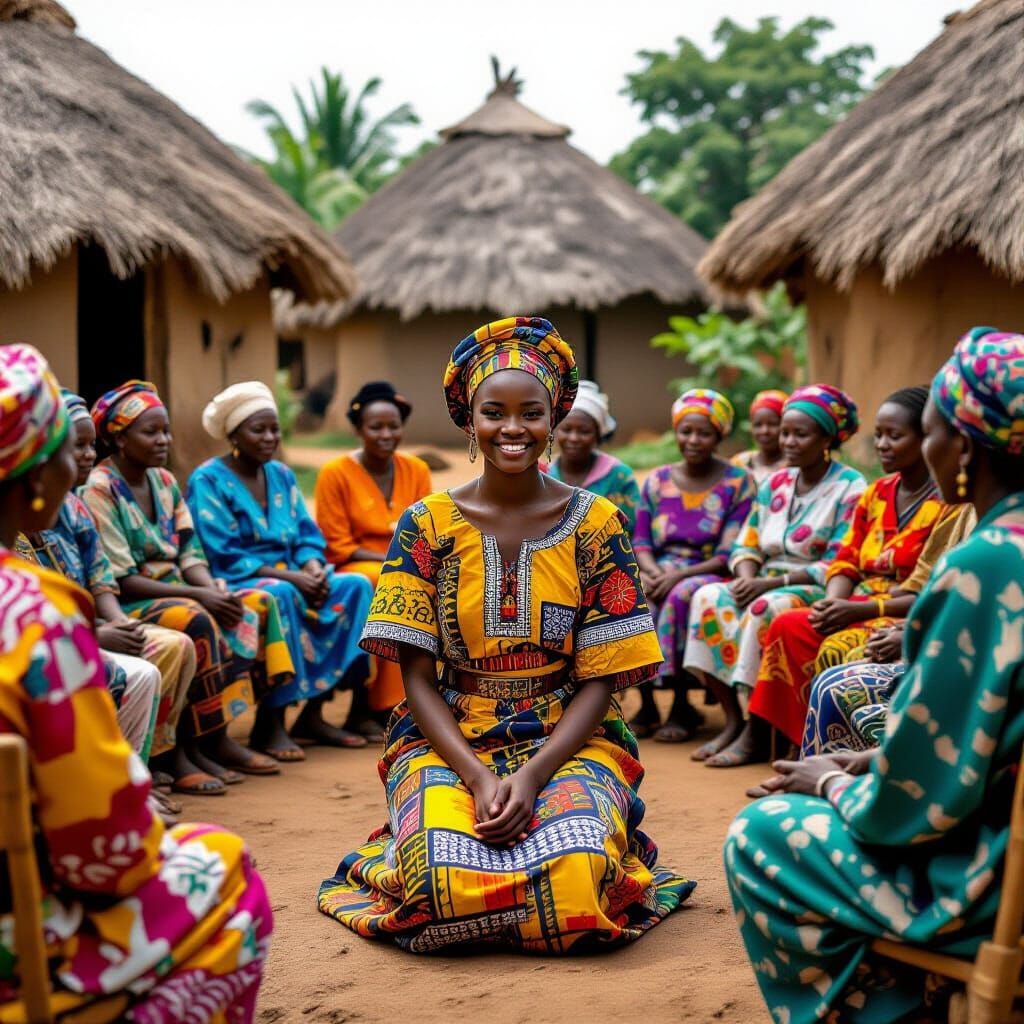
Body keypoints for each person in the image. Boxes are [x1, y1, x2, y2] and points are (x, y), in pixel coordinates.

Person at [318, 316, 693, 952]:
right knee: (437, 877)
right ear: (469, 419)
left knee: (577, 871)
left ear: (555, 418)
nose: (513, 428)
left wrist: (535, 775)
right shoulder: (425, 525)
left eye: (531, 413)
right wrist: (478, 778)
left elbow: (603, 678)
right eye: (494, 412)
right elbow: (416, 678)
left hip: (568, 738)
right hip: (450, 740)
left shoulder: (597, 522)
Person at [724, 326, 1024, 1023]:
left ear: (964, 447)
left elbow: (910, 811)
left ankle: (883, 1010)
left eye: (928, 431)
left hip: (983, 878)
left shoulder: (988, 566)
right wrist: (869, 759)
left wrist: (833, 782)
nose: (917, 446)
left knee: (762, 835)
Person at [0, 344, 272, 1022]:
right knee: (226, 870)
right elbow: (106, 856)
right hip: (21, 935)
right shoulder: (33, 616)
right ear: (32, 478)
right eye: (65, 451)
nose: (78, 465)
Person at [82, 381, 287, 794]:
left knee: (254, 604)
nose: (164, 440)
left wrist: (214, 589)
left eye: (166, 431)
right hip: (133, 599)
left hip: (178, 588)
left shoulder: (163, 481)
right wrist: (200, 596)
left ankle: (218, 736)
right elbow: (120, 577)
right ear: (119, 439)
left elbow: (190, 552)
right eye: (151, 432)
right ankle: (177, 750)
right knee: (195, 619)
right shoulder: (100, 488)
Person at [734, 388, 946, 761]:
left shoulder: (945, 502)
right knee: (790, 626)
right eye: (878, 435)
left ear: (925, 438)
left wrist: (857, 610)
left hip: (900, 610)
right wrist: (833, 603)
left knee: (837, 646)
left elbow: (931, 587)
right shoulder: (877, 493)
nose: (882, 445)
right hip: (859, 599)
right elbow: (846, 558)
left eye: (894, 436)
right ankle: (794, 740)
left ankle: (830, 754)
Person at [187, 381, 375, 758]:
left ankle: (313, 714)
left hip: (294, 573)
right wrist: (294, 578)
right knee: (281, 594)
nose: (270, 437)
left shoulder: (282, 475)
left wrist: (313, 568)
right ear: (233, 434)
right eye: (258, 430)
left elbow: (306, 533)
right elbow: (220, 551)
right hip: (239, 577)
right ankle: (270, 723)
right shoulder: (207, 480)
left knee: (355, 586)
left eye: (274, 429)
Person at [684, 385, 866, 765]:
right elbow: (747, 542)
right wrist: (745, 576)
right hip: (762, 578)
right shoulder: (776, 483)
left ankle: (756, 730)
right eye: (786, 433)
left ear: (828, 439)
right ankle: (733, 720)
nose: (789, 442)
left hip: (812, 586)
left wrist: (767, 584)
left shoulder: (850, 487)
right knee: (708, 597)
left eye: (801, 434)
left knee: (766, 607)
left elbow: (839, 561)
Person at [16, 389, 194, 768]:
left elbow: (100, 577)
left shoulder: (73, 507)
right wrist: (95, 635)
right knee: (136, 670)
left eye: (89, 446)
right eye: (74, 448)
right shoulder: (23, 521)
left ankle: (139, 769)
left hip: (87, 626)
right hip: (52, 643)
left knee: (166, 650)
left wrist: (117, 622)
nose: (86, 457)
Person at [629, 389, 757, 743]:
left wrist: (677, 577)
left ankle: (682, 705)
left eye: (704, 433)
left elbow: (730, 551)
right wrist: (651, 573)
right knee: (635, 598)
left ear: (720, 435)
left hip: (708, 571)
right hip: (658, 568)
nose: (693, 440)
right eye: (686, 431)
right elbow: (640, 540)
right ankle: (647, 704)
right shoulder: (657, 480)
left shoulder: (738, 482)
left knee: (680, 598)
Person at [801, 501, 976, 757]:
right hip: (906, 614)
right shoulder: (964, 512)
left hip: (962, 667)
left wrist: (912, 634)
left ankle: (853, 772)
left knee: (838, 676)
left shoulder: (999, 538)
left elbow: (975, 620)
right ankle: (816, 767)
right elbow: (936, 594)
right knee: (822, 661)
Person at [314, 381, 432, 738]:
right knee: (385, 584)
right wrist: (391, 562)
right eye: (375, 427)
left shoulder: (416, 470)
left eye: (393, 426)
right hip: (356, 566)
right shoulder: (335, 473)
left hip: (405, 566)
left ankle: (416, 701)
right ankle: (375, 706)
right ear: (358, 429)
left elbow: (427, 530)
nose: (385, 435)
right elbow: (337, 544)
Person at [548, 379, 640, 534]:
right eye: (566, 429)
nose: (574, 438)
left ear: (598, 435)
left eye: (584, 431)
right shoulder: (544, 474)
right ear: (555, 430)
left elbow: (632, 530)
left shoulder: (619, 476)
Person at [730, 389, 788, 483]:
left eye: (773, 424)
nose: (764, 431)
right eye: (758, 425)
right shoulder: (739, 463)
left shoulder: (795, 467)